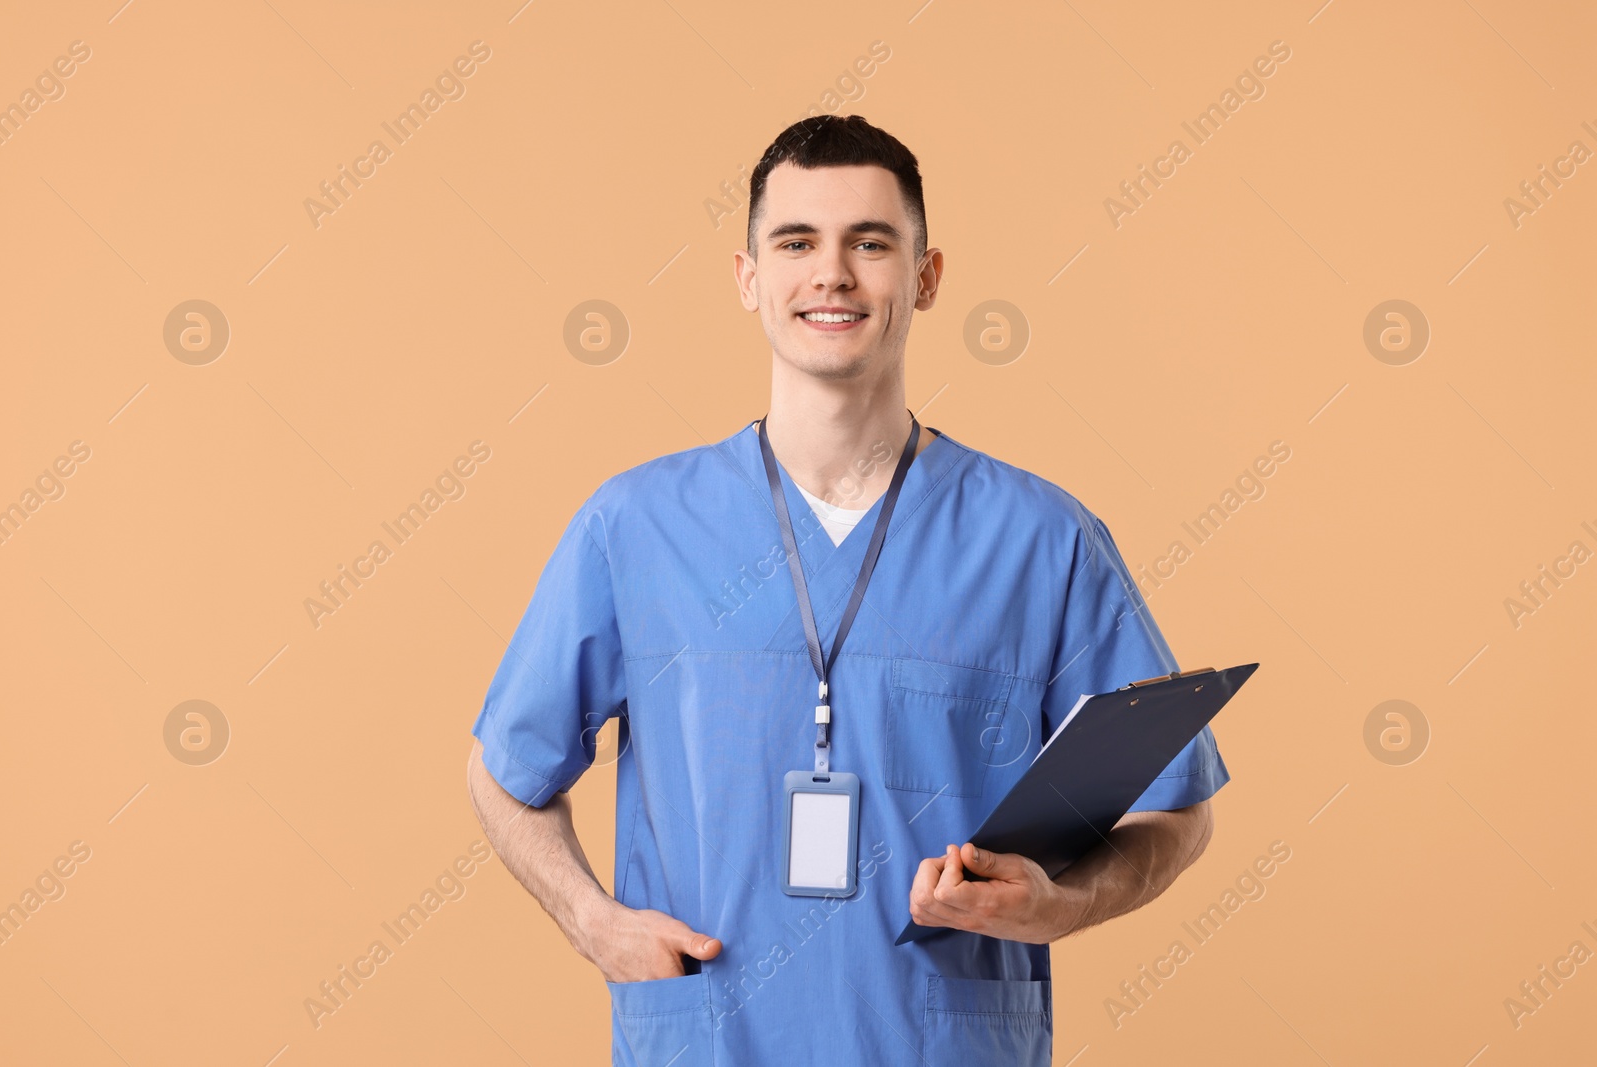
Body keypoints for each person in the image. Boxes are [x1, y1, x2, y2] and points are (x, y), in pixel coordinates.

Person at [466, 114, 1229, 1066]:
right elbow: (504, 770)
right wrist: (593, 922)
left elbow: (1174, 807)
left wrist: (1061, 905)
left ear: (927, 277)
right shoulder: (636, 528)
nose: (832, 273)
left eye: (871, 244)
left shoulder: (1042, 539)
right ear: (748, 278)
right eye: (796, 242)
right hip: (707, 1039)